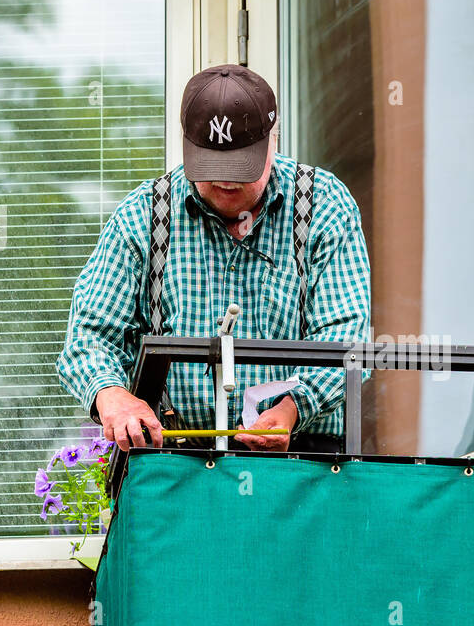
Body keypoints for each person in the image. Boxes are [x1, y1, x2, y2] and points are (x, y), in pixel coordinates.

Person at [56, 65, 371, 454]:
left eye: (240, 167)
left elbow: (347, 340)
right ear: (186, 144)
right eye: (211, 166)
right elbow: (89, 337)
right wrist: (112, 395)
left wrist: (292, 408)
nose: (226, 183)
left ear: (272, 140)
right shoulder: (143, 215)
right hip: (175, 462)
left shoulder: (324, 204)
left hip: (303, 464)